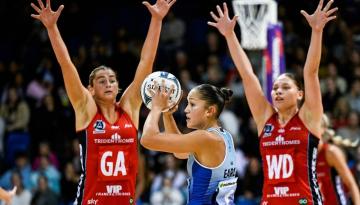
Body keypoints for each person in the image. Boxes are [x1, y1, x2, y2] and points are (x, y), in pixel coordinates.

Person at [30, 0, 176, 204]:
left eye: (112, 80)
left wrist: (157, 20)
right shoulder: (86, 110)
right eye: (101, 80)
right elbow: (66, 64)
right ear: (91, 89)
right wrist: (52, 28)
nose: (108, 83)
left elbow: (146, 62)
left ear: (118, 87)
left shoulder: (129, 107)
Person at [208, 1, 337, 204]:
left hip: (304, 201)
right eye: (275, 88)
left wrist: (317, 31)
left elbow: (310, 73)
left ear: (300, 94)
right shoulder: (265, 119)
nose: (278, 91)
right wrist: (230, 35)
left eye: (286, 87)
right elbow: (247, 75)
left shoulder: (309, 118)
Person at [141, 83, 238, 204]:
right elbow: (179, 152)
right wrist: (167, 114)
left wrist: (156, 107)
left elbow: (147, 139)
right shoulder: (224, 136)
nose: (186, 109)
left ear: (210, 111)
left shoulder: (204, 138)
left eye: (192, 104)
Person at [317, 114, 360, 205]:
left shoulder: (331, 152)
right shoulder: (303, 154)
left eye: (315, 125)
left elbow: (351, 185)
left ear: (323, 129)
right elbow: (302, 198)